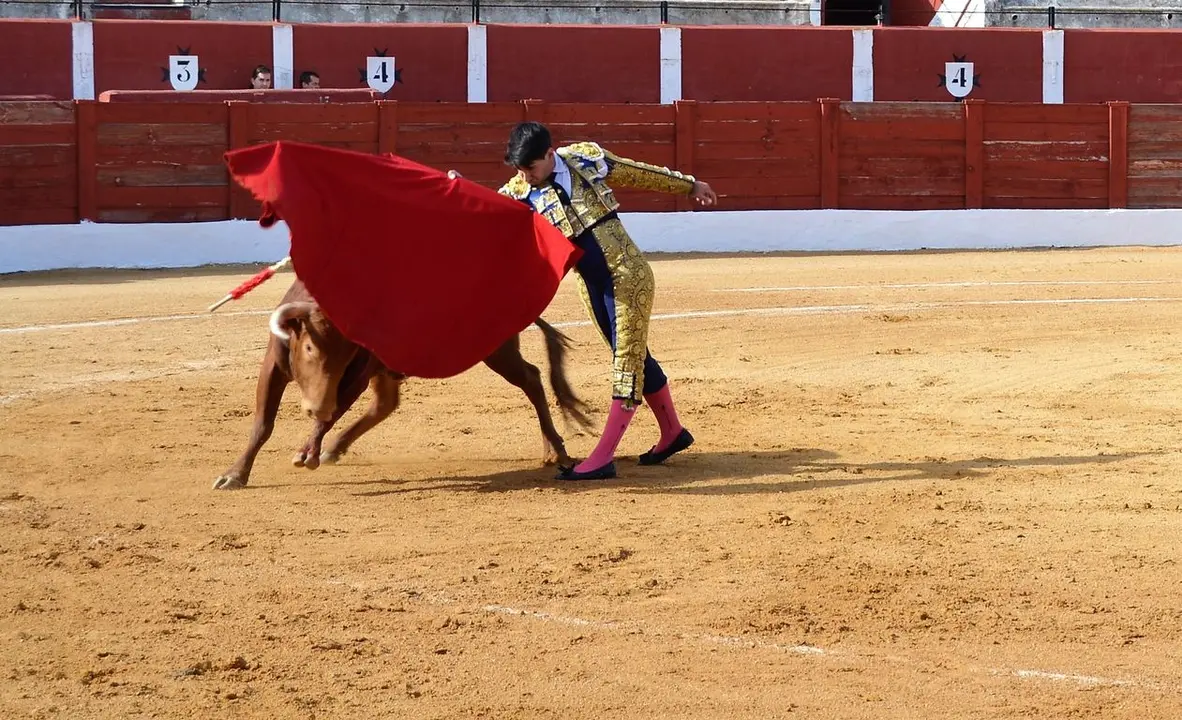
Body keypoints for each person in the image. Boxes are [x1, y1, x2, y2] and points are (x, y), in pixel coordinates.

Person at [450, 121, 717, 480]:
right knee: (635, 355)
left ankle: (602, 458)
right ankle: (672, 432)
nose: (525, 177)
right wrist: (457, 189)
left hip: (628, 276)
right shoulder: (518, 190)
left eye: (530, 168)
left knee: (626, 363)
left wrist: (690, 185)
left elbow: (637, 173)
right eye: (519, 169)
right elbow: (486, 212)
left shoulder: (584, 158)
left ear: (550, 154)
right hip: (591, 286)